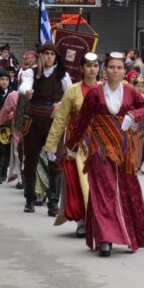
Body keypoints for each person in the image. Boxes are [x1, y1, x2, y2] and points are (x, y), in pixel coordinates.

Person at [66, 52, 144, 257]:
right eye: (112, 67)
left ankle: (130, 235)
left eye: (119, 68)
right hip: (100, 149)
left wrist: (133, 114)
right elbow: (83, 121)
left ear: (124, 71)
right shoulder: (95, 93)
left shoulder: (131, 92)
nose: (115, 71)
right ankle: (106, 239)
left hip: (124, 149)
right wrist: (72, 146)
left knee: (127, 189)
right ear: (106, 70)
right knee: (103, 192)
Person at [44, 53, 100, 237]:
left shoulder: (105, 90)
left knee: (98, 184)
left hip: (99, 145)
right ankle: (82, 221)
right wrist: (51, 146)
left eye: (96, 65)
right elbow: (60, 119)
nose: (93, 69)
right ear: (82, 68)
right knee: (78, 183)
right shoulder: (72, 91)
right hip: (76, 145)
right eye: (89, 66)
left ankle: (99, 221)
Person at [18, 42, 72, 214]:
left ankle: (53, 202)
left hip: (52, 124)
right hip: (33, 123)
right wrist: (27, 91)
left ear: (56, 57)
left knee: (54, 162)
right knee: (30, 160)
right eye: (47, 53)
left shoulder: (62, 75)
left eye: (52, 54)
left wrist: (61, 103)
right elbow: (24, 85)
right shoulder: (31, 72)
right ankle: (29, 199)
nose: (49, 56)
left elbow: (71, 95)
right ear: (41, 55)